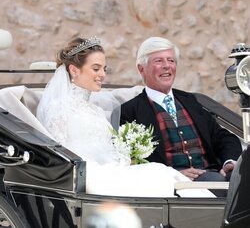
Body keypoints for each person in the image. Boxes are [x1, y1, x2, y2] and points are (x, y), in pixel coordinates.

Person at [36, 36, 215, 198]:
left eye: (104, 69)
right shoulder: (58, 109)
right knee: (160, 176)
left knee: (162, 172)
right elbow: (60, 156)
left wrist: (127, 159)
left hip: (112, 169)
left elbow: (109, 148)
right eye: (96, 68)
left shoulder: (95, 110)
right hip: (89, 176)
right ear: (74, 70)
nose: (102, 75)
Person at [120, 36, 242, 184]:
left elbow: (224, 137)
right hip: (170, 189)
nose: (167, 66)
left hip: (213, 175)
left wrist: (229, 162)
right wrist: (174, 174)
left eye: (171, 60)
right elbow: (131, 163)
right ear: (141, 69)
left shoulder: (190, 101)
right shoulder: (129, 111)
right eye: (159, 61)